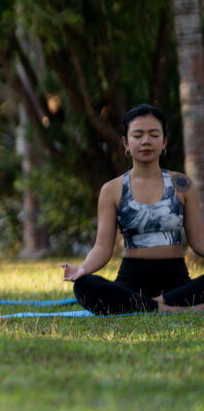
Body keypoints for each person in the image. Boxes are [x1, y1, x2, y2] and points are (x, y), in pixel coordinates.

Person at [62, 104, 204, 314]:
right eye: (138, 135)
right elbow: (102, 247)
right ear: (126, 143)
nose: (146, 141)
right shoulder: (112, 190)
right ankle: (170, 309)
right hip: (130, 283)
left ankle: (147, 305)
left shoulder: (182, 184)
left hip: (177, 283)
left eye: (154, 134)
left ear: (164, 141)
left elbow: (199, 241)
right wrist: (83, 269)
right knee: (84, 286)